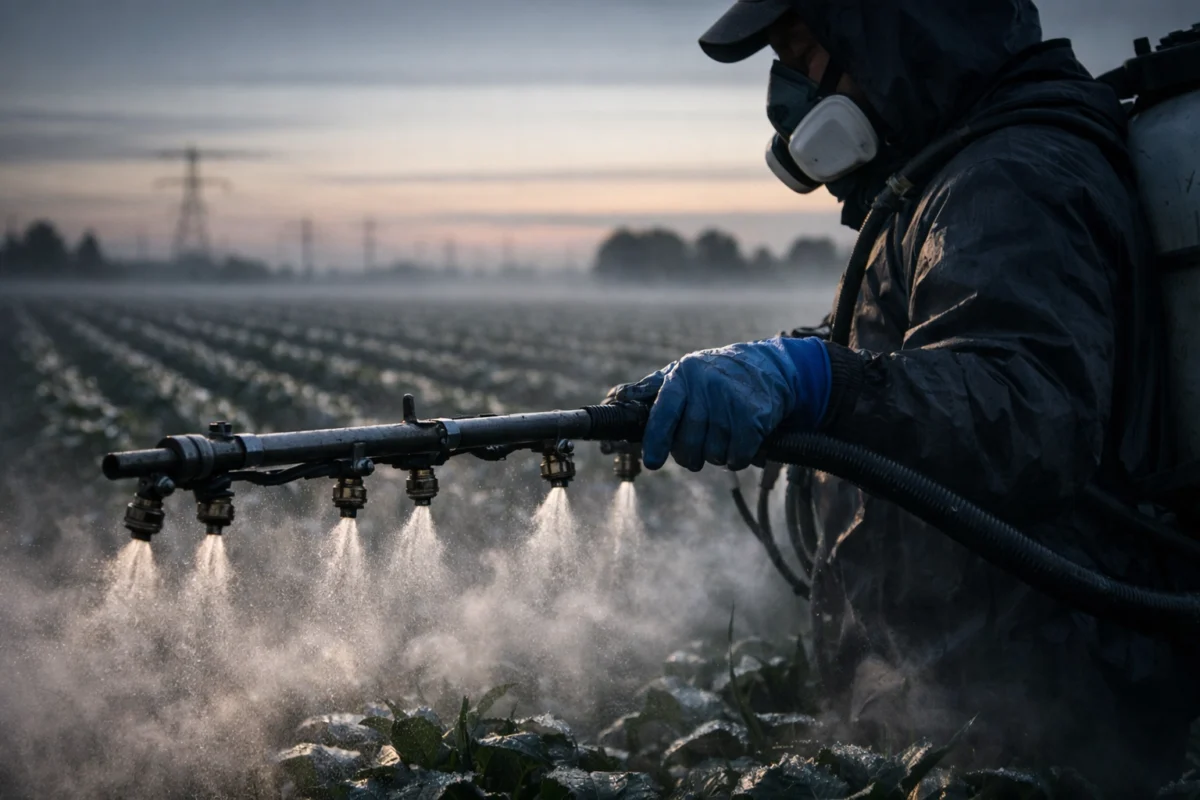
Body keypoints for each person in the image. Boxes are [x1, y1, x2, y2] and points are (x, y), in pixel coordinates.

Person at [610, 0, 1193, 792]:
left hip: (1042, 706)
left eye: (802, 52)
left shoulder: (1010, 175)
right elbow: (908, 357)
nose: (790, 94)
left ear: (893, 32)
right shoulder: (943, 178)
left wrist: (812, 382)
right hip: (972, 697)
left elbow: (1022, 407)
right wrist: (787, 363)